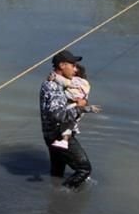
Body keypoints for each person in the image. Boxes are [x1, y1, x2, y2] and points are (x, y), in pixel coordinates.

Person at [39, 50, 93, 189]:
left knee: (57, 173)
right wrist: (80, 108)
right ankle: (64, 196)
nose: (75, 69)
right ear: (62, 65)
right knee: (84, 169)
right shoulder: (53, 86)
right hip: (58, 134)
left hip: (52, 135)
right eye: (73, 65)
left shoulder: (57, 82)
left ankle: (54, 200)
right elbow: (57, 114)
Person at [48, 63, 98, 149]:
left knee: (66, 122)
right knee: (72, 123)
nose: (73, 70)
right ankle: (68, 137)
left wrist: (55, 77)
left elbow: (66, 82)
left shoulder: (75, 80)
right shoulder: (86, 84)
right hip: (81, 107)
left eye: (74, 69)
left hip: (73, 105)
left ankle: (64, 141)